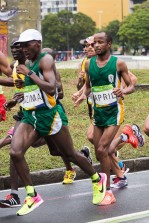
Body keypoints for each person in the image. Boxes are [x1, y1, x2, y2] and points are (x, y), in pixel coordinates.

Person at [9, 29, 106, 216]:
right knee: (15, 152)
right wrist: (19, 96)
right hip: (31, 115)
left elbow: (51, 88)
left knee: (69, 153)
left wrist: (29, 74)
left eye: (26, 45)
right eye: (20, 46)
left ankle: (96, 178)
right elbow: (34, 89)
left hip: (49, 115)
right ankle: (32, 195)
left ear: (37, 43)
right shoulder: (27, 62)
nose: (23, 49)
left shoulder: (45, 60)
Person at [74, 31, 135, 205]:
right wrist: (82, 95)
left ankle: (107, 190)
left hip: (114, 111)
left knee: (101, 149)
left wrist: (122, 90)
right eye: (94, 44)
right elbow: (88, 86)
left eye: (100, 42)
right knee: (99, 149)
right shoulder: (88, 64)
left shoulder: (118, 63)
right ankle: (109, 183)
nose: (96, 46)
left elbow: (131, 86)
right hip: (98, 112)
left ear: (109, 44)